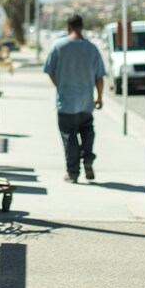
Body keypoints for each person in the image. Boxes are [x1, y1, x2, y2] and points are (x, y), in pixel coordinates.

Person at [43, 14, 105, 183]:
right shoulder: (92, 48)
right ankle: (88, 159)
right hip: (86, 103)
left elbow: (50, 70)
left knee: (69, 138)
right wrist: (99, 97)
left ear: (68, 27)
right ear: (81, 27)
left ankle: (72, 173)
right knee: (87, 132)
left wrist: (60, 85)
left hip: (66, 103)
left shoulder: (58, 46)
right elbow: (99, 77)